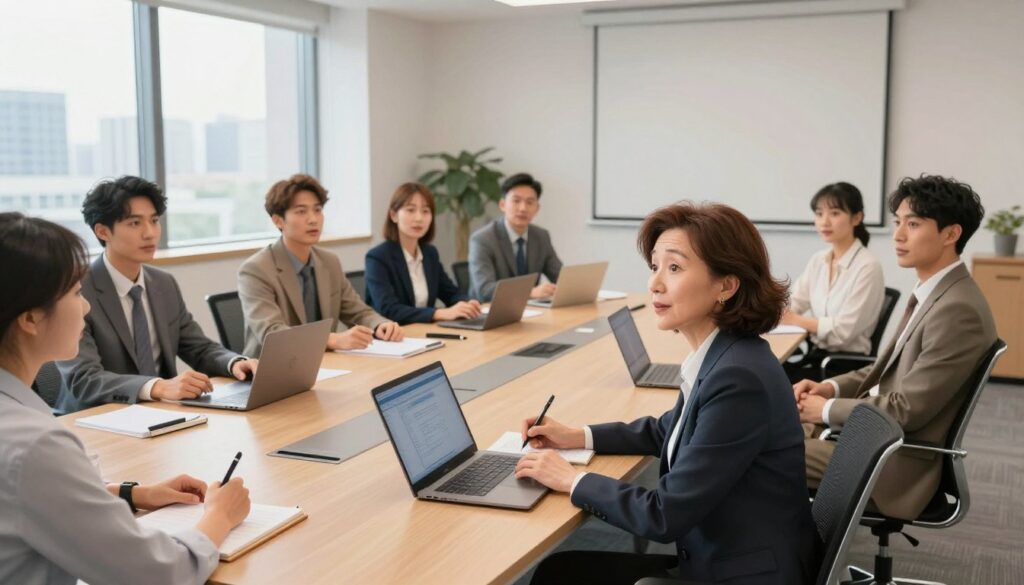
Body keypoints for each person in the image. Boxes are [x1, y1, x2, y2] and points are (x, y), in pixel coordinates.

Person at [516, 203, 821, 585]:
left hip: (744, 574)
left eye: (674, 268)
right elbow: (670, 430)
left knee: (559, 575)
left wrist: (572, 480)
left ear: (726, 285)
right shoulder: (727, 353)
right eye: (655, 267)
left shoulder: (739, 378)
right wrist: (579, 436)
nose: (655, 283)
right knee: (559, 571)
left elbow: (663, 515)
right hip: (729, 556)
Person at [0, 212, 251, 585]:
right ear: (31, 319)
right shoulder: (36, 444)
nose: (85, 307)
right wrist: (219, 516)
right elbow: (158, 573)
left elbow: (22, 495)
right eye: (74, 294)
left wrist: (133, 494)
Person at [795, 175, 996, 520]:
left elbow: (907, 410)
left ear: (951, 234)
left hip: (892, 462)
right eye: (898, 222)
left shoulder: (957, 310)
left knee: (761, 451)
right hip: (875, 436)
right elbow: (885, 372)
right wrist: (829, 386)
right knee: (765, 425)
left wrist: (826, 410)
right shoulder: (935, 292)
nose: (899, 236)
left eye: (913, 224)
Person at [55, 177, 257, 413]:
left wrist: (236, 363)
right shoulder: (75, 291)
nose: (150, 233)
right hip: (98, 417)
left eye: (154, 221)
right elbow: (84, 379)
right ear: (102, 231)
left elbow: (198, 348)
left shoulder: (163, 283)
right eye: (134, 223)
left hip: (162, 414)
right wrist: (158, 387)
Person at [238, 174, 403, 356]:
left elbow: (357, 311)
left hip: (324, 363)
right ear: (278, 220)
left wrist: (380, 324)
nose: (313, 219)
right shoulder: (256, 269)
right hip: (272, 368)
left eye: (317, 210)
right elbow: (272, 333)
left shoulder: (329, 261)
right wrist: (333, 339)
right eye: (301, 212)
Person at [782, 182, 885, 382]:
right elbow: (794, 301)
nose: (824, 222)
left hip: (843, 367)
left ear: (857, 218)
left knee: (769, 383)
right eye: (819, 214)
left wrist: (794, 319)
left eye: (835, 213)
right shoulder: (819, 260)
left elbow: (843, 331)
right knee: (763, 372)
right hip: (816, 355)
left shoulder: (868, 266)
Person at [364, 183, 482, 324]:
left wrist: (469, 303)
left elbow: (450, 293)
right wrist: (438, 313)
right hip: (393, 338)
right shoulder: (378, 257)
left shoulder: (429, 253)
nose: (419, 218)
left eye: (425, 211)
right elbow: (389, 310)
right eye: (410, 210)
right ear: (394, 215)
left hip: (425, 334)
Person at [468, 172, 562, 301]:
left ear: (537, 208)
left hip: (530, 310)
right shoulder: (483, 239)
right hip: (489, 312)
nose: (523, 208)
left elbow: (560, 276)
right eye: (516, 201)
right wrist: (530, 292)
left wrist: (570, 288)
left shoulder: (541, 236)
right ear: (502, 205)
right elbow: (485, 290)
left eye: (530, 202)